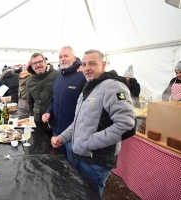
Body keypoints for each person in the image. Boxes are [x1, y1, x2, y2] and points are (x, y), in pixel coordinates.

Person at [51, 49, 136, 197]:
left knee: (90, 196)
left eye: (92, 63)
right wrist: (63, 137)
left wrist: (89, 142)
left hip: (95, 160)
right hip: (81, 155)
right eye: (84, 64)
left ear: (103, 65)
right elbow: (79, 122)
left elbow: (127, 125)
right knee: (79, 194)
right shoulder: (89, 88)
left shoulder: (113, 86)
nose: (87, 68)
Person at [42, 46, 86, 163]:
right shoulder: (58, 78)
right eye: (60, 57)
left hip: (73, 135)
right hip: (57, 132)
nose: (63, 59)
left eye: (66, 56)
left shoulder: (82, 76)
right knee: (60, 165)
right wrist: (48, 112)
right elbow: (55, 100)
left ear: (74, 58)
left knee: (74, 170)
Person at [27, 53, 59, 137]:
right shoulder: (30, 82)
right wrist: (31, 120)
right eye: (34, 63)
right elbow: (30, 102)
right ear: (32, 66)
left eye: (40, 61)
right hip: (37, 123)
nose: (38, 65)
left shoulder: (57, 75)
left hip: (54, 122)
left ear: (45, 62)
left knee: (54, 149)